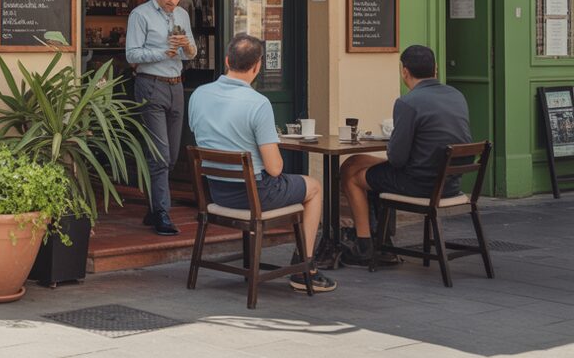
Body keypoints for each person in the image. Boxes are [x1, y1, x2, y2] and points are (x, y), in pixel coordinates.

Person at [188, 34, 335, 293]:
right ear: (258, 66)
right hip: (253, 196)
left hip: (217, 193)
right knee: (313, 187)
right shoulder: (258, 103)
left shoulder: (199, 95)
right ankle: (305, 266)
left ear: (226, 61)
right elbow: (275, 169)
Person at [339, 45, 473, 266]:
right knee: (353, 163)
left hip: (420, 185)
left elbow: (398, 159)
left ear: (404, 71)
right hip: (449, 182)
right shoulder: (456, 95)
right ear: (436, 69)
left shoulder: (408, 102)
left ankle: (363, 245)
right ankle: (379, 238)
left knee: (352, 177)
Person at [126, 0, 197, 236]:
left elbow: (191, 52)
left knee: (172, 155)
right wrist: (162, 52)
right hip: (150, 84)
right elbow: (131, 54)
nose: (173, 1)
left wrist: (187, 48)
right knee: (160, 154)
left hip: (176, 84)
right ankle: (162, 213)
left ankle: (154, 205)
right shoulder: (140, 15)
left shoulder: (182, 15)